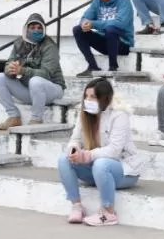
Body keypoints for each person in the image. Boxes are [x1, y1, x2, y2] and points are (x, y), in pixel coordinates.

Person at [58, 77, 143, 227]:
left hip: (123, 171)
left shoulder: (119, 115)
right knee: (64, 159)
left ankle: (108, 213)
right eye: (85, 96)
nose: (87, 100)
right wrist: (74, 150)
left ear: (104, 98)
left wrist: (87, 155)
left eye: (92, 96)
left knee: (101, 163)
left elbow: (115, 150)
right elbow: (75, 138)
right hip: (96, 170)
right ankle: (77, 206)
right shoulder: (84, 114)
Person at [0, 13, 65, 129]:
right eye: (32, 28)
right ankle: (14, 117)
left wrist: (22, 71)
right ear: (26, 29)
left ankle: (36, 119)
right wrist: (11, 69)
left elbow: (46, 74)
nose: (36, 30)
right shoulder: (19, 43)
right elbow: (9, 63)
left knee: (36, 81)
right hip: (30, 91)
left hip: (52, 90)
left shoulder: (49, 46)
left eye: (39, 28)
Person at [74, 0, 134, 76]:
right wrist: (84, 23)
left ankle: (113, 67)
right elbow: (85, 17)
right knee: (77, 30)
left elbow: (120, 23)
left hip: (123, 44)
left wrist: (94, 24)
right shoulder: (97, 1)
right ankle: (93, 66)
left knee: (110, 29)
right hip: (105, 42)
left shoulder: (124, 0)